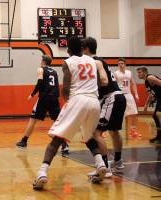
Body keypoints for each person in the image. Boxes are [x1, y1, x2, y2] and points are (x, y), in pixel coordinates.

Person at [32, 36, 109, 190]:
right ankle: (100, 164)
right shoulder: (92, 62)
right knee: (88, 136)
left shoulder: (68, 62)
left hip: (78, 100)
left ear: (68, 50)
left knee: (57, 138)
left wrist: (69, 101)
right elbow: (101, 82)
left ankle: (42, 172)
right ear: (82, 48)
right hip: (94, 102)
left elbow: (66, 89)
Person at [83, 37, 126, 178]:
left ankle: (105, 168)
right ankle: (118, 162)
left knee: (96, 133)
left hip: (111, 97)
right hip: (120, 96)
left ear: (87, 49)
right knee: (114, 131)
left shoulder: (94, 62)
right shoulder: (102, 60)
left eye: (82, 48)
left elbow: (104, 81)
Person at [15, 55, 69, 156]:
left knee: (33, 119)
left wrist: (32, 94)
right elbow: (56, 85)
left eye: (41, 60)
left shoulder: (41, 69)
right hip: (54, 98)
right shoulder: (54, 72)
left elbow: (39, 83)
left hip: (44, 98)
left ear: (43, 61)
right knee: (58, 121)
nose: (40, 62)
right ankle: (65, 144)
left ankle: (24, 141)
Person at [114, 58, 140, 138]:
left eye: (122, 63)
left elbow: (133, 83)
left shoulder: (129, 72)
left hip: (128, 94)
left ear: (125, 64)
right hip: (120, 94)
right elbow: (114, 85)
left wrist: (136, 94)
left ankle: (133, 131)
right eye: (119, 64)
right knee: (116, 114)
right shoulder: (115, 73)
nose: (120, 65)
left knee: (134, 113)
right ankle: (110, 130)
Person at [137, 67, 161, 144]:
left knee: (158, 114)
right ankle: (159, 136)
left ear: (144, 72)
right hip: (159, 98)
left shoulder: (150, 78)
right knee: (154, 116)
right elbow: (151, 95)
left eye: (139, 72)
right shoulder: (146, 82)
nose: (138, 74)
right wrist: (146, 105)